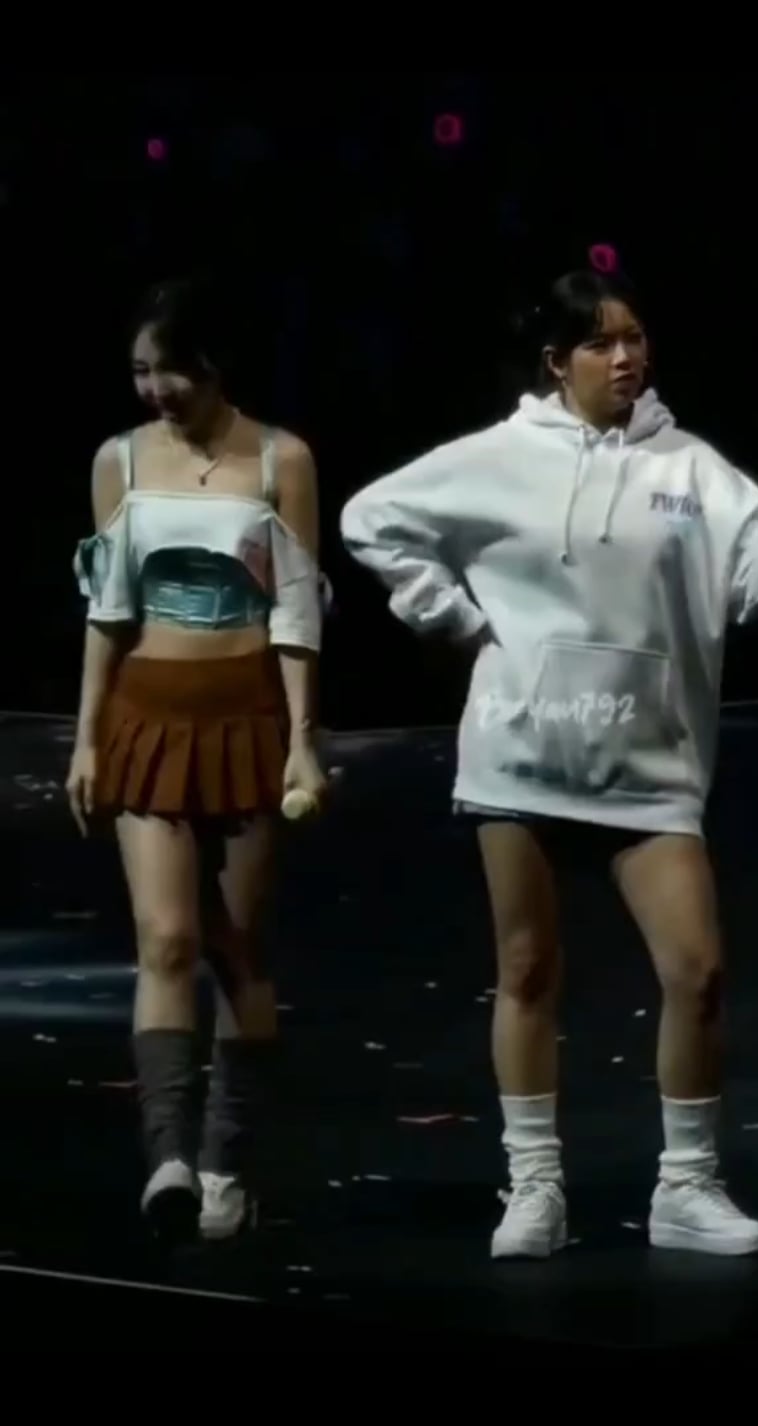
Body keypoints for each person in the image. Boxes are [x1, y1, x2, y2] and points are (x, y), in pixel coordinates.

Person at [340, 260, 758, 1258]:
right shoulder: (498, 458)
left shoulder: (693, 469)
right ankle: (534, 1189)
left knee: (697, 968)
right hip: (523, 751)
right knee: (526, 968)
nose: (625, 356)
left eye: (635, 336)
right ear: (558, 361)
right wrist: (455, 618)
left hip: (649, 762)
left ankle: (687, 1186)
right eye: (601, 341)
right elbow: (368, 519)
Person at [65, 277, 329, 1240]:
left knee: (236, 948)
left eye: (170, 369)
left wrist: (303, 742)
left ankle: (227, 1165)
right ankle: (169, 1158)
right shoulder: (121, 460)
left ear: (214, 364)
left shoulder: (281, 458)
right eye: (140, 370)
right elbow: (107, 609)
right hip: (149, 714)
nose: (155, 389)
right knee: (167, 939)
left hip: (246, 714)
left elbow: (297, 612)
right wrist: (87, 737)